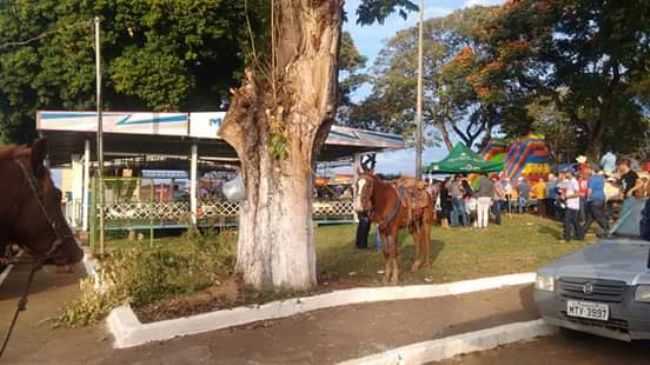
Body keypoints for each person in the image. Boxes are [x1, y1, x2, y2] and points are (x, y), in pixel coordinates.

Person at [584, 166, 609, 238]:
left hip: (594, 199)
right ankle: (582, 231)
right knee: (590, 218)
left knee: (598, 216)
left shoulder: (592, 179)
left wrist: (587, 198)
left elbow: (590, 190)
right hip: (601, 198)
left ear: (592, 170)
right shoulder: (601, 178)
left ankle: (607, 229)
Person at [558, 171, 583, 242]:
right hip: (570, 204)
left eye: (567, 173)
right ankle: (580, 236)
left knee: (567, 221)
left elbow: (578, 193)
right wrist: (563, 195)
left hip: (573, 205)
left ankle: (567, 238)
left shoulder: (574, 182)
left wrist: (567, 196)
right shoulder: (569, 182)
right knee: (575, 221)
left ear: (570, 173)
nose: (565, 174)